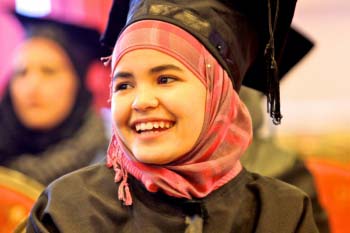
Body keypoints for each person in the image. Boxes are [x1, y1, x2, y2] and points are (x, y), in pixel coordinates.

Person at [25, 0, 320, 232]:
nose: (141, 101)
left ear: (218, 94)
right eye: (124, 85)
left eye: (165, 79)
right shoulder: (67, 210)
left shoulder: (280, 213)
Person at [0, 13, 108, 185]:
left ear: (78, 83)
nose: (32, 86)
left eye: (49, 71)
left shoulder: (111, 169)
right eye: (21, 72)